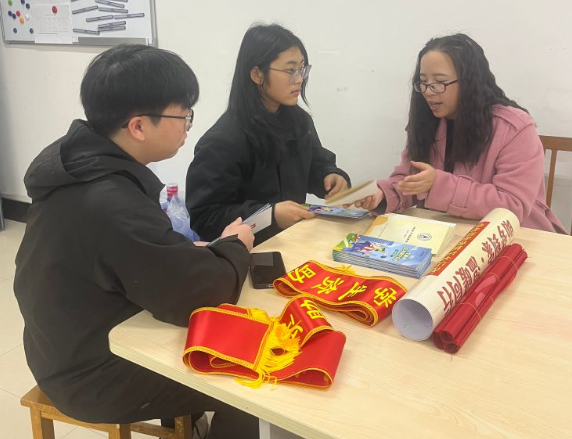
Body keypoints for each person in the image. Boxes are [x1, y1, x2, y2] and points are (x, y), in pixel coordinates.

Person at [14, 44, 259, 439]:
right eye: (183, 115)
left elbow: (129, 253)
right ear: (139, 126)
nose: (187, 126)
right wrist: (234, 245)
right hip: (92, 375)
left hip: (58, 346)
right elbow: (201, 294)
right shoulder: (111, 201)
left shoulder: (79, 165)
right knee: (248, 382)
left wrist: (184, 253)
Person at [354, 33, 565, 234]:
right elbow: (409, 180)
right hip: (447, 234)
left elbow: (512, 206)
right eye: (424, 82)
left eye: (440, 82)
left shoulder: (514, 128)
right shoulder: (426, 122)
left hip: (516, 239)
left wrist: (437, 184)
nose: (428, 92)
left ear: (469, 82)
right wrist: (382, 194)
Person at [185, 23, 351, 245]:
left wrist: (330, 177)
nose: (299, 79)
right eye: (290, 70)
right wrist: (269, 215)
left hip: (291, 241)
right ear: (257, 74)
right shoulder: (223, 139)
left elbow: (315, 165)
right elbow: (206, 217)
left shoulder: (299, 121)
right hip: (247, 252)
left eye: (302, 69)